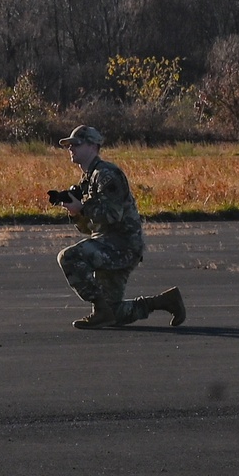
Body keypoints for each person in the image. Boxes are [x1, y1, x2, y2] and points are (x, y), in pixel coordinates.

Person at [53, 125, 186, 329]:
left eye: (76, 144)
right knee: (114, 314)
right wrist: (76, 213)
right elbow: (91, 228)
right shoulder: (89, 179)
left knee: (69, 257)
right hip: (109, 244)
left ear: (92, 146)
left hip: (121, 246)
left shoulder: (106, 174)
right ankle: (164, 301)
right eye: (69, 146)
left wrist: (82, 207)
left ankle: (100, 308)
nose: (71, 149)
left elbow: (113, 215)